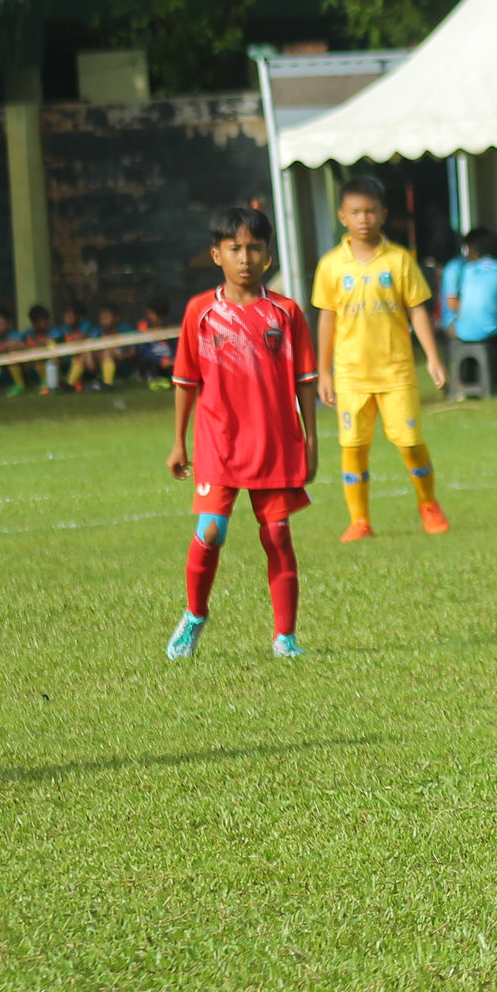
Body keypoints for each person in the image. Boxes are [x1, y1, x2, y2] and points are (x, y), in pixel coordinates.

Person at [165, 206, 317, 662]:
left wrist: (311, 441)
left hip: (275, 442)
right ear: (217, 255)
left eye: (254, 248)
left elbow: (305, 382)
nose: (245, 258)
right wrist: (178, 441)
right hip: (219, 443)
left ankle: (285, 637)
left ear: (269, 255)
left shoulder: (285, 312)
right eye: (235, 249)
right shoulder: (200, 312)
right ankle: (195, 615)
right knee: (211, 531)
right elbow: (185, 381)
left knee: (278, 535)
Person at [310, 173, 449, 541]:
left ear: (383, 214)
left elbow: (417, 310)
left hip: (396, 372)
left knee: (410, 442)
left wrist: (433, 358)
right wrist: (324, 371)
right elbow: (327, 318)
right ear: (342, 216)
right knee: (353, 446)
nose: (364, 219)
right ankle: (359, 520)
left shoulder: (399, 260)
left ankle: (428, 504)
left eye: (371, 211)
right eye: (356, 212)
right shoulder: (331, 265)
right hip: (351, 375)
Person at [441, 227, 497, 395]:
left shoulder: (467, 269)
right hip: (477, 326)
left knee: (490, 343)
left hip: (462, 326)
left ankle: (469, 382)